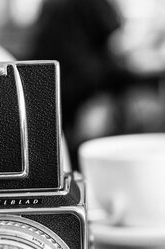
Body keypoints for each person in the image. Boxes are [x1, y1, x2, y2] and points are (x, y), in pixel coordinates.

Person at [28, 0, 135, 167]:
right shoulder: (97, 4)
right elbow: (117, 46)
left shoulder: (48, 4)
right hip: (89, 92)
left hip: (47, 90)